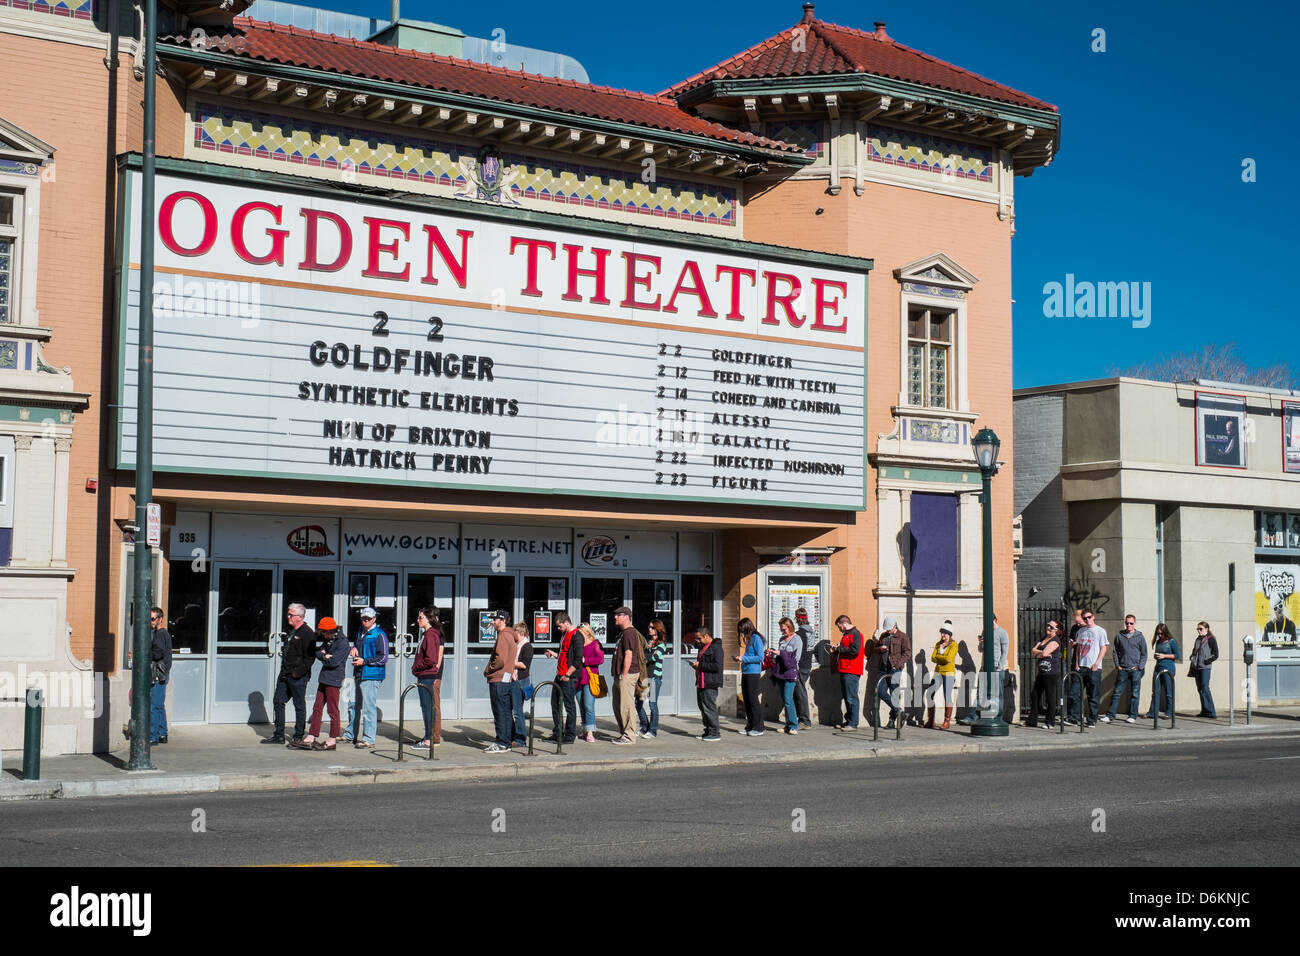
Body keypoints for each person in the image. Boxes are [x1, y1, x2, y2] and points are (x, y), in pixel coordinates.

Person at [266, 603, 316, 745]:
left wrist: (297, 673)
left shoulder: (307, 633)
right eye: (288, 614)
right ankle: (279, 734)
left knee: (299, 705)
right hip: (285, 674)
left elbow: (310, 658)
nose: (288, 617)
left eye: (291, 615)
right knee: (278, 701)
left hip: (298, 676)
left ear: (300, 617)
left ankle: (298, 735)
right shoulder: (291, 631)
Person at [298, 617, 347, 750]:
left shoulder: (342, 643)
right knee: (317, 707)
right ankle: (311, 736)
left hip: (334, 679)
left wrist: (325, 656)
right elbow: (318, 652)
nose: (323, 636)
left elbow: (334, 662)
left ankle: (332, 739)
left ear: (331, 630)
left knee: (332, 710)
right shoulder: (328, 639)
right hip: (324, 677)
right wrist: (325, 655)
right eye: (322, 633)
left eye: (325, 633)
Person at [343, 607, 388, 749]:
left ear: (374, 619)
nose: (366, 620)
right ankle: (350, 734)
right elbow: (357, 646)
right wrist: (353, 648)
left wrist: (365, 661)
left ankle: (369, 739)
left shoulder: (379, 634)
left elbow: (383, 657)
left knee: (368, 707)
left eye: (368, 618)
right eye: (364, 618)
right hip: (359, 673)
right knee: (353, 705)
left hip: (371, 675)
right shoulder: (360, 631)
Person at [482, 611, 519, 754]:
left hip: (499, 678)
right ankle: (506, 741)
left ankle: (502, 742)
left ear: (502, 620)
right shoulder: (510, 635)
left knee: (500, 712)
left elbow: (500, 660)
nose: (492, 622)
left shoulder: (504, 636)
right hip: (506, 678)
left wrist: (488, 670)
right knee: (505, 711)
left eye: (495, 619)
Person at [544, 610, 581, 744]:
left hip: (567, 676)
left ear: (566, 622)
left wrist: (567, 674)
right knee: (555, 703)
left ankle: (570, 735)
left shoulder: (577, 636)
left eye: (560, 626)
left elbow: (578, 660)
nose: (558, 629)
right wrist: (554, 654)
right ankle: (557, 731)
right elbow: (564, 654)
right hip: (560, 674)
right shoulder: (565, 635)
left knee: (569, 705)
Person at [1067, 610, 1109, 727]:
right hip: (1081, 666)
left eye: (1089, 617)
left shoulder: (1100, 631)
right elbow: (1079, 647)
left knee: (1093, 694)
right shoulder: (1081, 631)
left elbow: (1104, 648)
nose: (1087, 620)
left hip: (1093, 668)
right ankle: (1074, 718)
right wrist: (1077, 662)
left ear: (1093, 617)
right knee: (1074, 693)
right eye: (1085, 618)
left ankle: (1092, 720)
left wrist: (1097, 663)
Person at [1103, 614, 1146, 724]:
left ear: (1134, 623)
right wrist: (1118, 665)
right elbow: (1115, 652)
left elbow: (1144, 654)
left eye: (1131, 623)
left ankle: (1132, 716)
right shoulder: (1119, 636)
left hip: (1135, 670)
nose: (1128, 625)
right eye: (1127, 623)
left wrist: (1139, 667)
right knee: (1117, 692)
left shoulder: (1140, 636)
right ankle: (1110, 715)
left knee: (1135, 694)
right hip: (1123, 669)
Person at [410, 607, 444, 750]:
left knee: (428, 707)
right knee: (425, 707)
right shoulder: (427, 634)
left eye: (421, 618)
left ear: (429, 619)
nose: (418, 620)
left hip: (427, 675)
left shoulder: (431, 635)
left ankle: (429, 740)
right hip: (423, 675)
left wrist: (417, 667)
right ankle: (427, 737)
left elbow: (431, 659)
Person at [610, 606, 644, 745]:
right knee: (618, 706)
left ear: (626, 616)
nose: (615, 617)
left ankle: (629, 736)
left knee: (626, 706)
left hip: (627, 675)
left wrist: (624, 674)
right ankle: (624, 733)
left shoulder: (629, 633)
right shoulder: (624, 633)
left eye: (618, 615)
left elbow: (629, 655)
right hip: (620, 675)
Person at [874, 616, 910, 729]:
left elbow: (907, 653)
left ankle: (891, 720)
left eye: (889, 628)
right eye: (886, 629)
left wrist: (897, 664)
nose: (888, 631)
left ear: (895, 626)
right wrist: (880, 649)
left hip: (895, 668)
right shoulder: (883, 636)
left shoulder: (903, 637)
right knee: (880, 692)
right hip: (883, 668)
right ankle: (900, 712)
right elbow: (875, 648)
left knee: (894, 694)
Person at [1025, 620, 1062, 728]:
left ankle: (1050, 722)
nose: (1048, 628)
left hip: (1051, 673)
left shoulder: (1055, 641)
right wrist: (1041, 653)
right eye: (1048, 626)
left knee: (1050, 697)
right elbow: (1033, 650)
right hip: (1042, 672)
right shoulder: (1044, 639)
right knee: (1035, 694)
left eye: (1051, 627)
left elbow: (1044, 652)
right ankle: (1032, 720)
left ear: (1057, 630)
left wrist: (1041, 653)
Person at [733, 617, 766, 736]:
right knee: (746, 700)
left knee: (753, 700)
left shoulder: (757, 638)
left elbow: (760, 657)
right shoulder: (749, 639)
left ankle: (759, 727)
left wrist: (743, 658)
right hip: (746, 672)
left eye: (742, 629)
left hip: (753, 673)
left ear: (748, 627)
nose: (741, 632)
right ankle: (750, 726)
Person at [833, 614, 866, 729]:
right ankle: (849, 720)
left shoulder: (855, 634)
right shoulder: (847, 635)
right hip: (844, 668)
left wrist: (839, 649)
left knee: (851, 697)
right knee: (847, 696)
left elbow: (855, 650)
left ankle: (853, 723)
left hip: (851, 670)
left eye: (839, 626)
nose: (839, 629)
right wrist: (839, 647)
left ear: (844, 623)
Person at [637, 618, 668, 738]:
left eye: (652, 627)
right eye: (649, 627)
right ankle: (644, 727)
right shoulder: (649, 643)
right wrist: (648, 653)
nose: (649, 629)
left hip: (655, 678)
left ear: (658, 629)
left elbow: (650, 658)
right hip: (645, 678)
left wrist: (647, 654)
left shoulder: (661, 645)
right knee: (638, 703)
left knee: (652, 704)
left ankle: (653, 730)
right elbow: (643, 656)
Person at [691, 626, 723, 740]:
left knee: (709, 708)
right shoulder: (702, 647)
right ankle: (708, 731)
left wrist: (700, 665)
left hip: (710, 682)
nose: (697, 641)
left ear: (707, 636)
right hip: (701, 681)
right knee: (703, 708)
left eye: (699, 638)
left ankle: (715, 733)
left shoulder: (716, 648)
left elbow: (717, 666)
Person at [1142, 623, 1180, 719]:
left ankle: (1169, 712)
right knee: (1155, 691)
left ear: (1165, 633)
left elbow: (1177, 655)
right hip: (1158, 668)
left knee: (1168, 692)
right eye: (1158, 634)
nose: (1159, 635)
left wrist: (1165, 656)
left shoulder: (1171, 641)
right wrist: (1157, 656)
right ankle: (1152, 712)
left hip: (1168, 668)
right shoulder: (1158, 642)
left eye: (1161, 633)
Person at [773, 617, 802, 734]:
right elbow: (779, 655)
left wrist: (781, 653)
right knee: (785, 700)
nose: (782, 632)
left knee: (788, 699)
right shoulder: (781, 639)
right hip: (780, 672)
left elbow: (796, 658)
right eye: (781, 630)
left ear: (790, 628)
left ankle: (794, 726)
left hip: (790, 673)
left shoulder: (797, 639)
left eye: (784, 629)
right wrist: (773, 654)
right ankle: (788, 725)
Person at [148, 606, 172, 745]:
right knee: (159, 705)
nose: (151, 621)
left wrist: (147, 654)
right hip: (162, 673)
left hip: (159, 673)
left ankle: (154, 736)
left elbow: (158, 653)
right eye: (150, 619)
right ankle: (163, 733)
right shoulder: (162, 634)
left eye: (153, 618)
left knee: (154, 705)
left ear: (160, 619)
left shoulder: (160, 634)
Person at [928, 622, 958, 729]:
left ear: (949, 635)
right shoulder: (938, 644)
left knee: (947, 696)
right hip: (938, 672)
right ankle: (931, 721)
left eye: (945, 634)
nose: (942, 636)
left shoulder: (954, 645)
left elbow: (949, 658)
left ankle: (947, 721)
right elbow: (932, 658)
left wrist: (939, 657)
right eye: (941, 633)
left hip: (949, 673)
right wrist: (942, 658)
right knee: (929, 694)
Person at [578, 624, 604, 743]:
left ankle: (590, 732)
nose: (578, 635)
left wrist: (586, 661)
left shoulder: (595, 644)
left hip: (590, 678)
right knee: (581, 705)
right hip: (578, 678)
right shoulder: (578, 644)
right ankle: (585, 729)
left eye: (581, 633)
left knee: (588, 705)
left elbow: (600, 659)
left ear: (587, 633)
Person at [792, 608, 816, 729]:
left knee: (800, 693)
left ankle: (805, 721)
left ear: (797, 619)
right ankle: (800, 718)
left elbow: (799, 652)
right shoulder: (811, 631)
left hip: (800, 666)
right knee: (799, 691)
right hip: (807, 665)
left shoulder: (800, 633)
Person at [511, 622, 534, 747]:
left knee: (517, 711)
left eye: (515, 632)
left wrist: (510, 662)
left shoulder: (527, 646)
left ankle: (520, 739)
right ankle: (512, 735)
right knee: (512, 709)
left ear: (521, 633)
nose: (514, 635)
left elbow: (524, 665)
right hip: (512, 679)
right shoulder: (516, 645)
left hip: (520, 681)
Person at [1190, 621, 1219, 718]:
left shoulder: (1211, 639)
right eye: (1197, 629)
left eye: (1200, 629)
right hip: (1197, 667)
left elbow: (1216, 654)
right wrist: (1192, 657)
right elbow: (1194, 651)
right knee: (1200, 689)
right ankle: (1205, 711)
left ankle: (1212, 712)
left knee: (1205, 688)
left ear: (1206, 629)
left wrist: (1207, 661)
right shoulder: (1197, 639)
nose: (1198, 631)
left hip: (1205, 668)